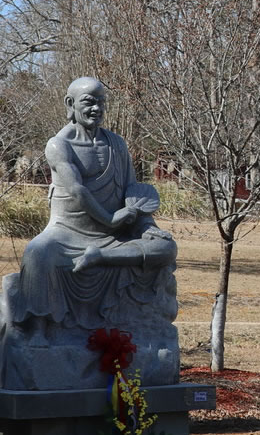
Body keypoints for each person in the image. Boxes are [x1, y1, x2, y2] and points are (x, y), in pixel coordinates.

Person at [11, 77, 176, 332]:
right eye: (89, 102)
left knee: (166, 247)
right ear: (70, 104)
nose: (96, 108)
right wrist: (109, 219)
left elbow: (133, 193)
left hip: (113, 238)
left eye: (101, 102)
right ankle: (39, 334)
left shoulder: (116, 144)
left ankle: (99, 257)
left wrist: (146, 227)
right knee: (37, 254)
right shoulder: (59, 145)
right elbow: (77, 190)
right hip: (66, 233)